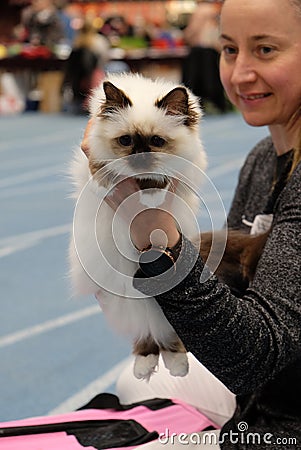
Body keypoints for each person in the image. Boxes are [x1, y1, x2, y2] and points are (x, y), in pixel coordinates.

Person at [81, 0, 301, 447]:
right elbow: (229, 300)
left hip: (286, 420)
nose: (240, 74)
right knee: (135, 384)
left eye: (265, 50)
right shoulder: (262, 159)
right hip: (257, 398)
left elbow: (251, 358)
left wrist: (156, 238)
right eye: (228, 49)